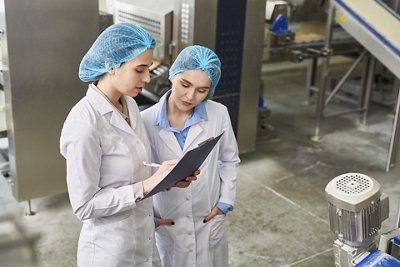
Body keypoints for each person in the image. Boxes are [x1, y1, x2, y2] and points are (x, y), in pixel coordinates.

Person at [59, 23, 197, 267]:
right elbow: (84, 206)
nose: (147, 79)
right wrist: (146, 186)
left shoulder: (129, 105)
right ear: (111, 65)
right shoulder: (84, 123)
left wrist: (167, 178)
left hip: (140, 240)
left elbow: (134, 170)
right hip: (108, 253)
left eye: (149, 69)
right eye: (140, 70)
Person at [141, 45, 240, 267]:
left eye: (202, 90)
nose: (190, 96)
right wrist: (148, 218)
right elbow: (138, 174)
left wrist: (224, 203)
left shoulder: (218, 113)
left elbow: (229, 159)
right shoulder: (144, 121)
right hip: (168, 220)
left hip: (208, 218)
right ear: (172, 76)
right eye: (185, 84)